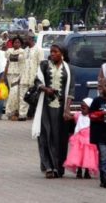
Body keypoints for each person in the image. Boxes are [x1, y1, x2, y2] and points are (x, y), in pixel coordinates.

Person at [33, 44, 74, 178]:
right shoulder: (44, 65)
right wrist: (46, 89)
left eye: (55, 52)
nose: (52, 54)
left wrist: (67, 110)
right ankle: (48, 167)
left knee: (60, 138)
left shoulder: (68, 69)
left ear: (62, 54)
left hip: (61, 109)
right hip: (45, 106)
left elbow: (71, 91)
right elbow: (37, 81)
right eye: (51, 51)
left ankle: (58, 167)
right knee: (45, 135)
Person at [63, 97, 98, 179]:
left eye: (84, 108)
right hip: (79, 139)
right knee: (78, 155)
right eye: (81, 107)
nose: (81, 109)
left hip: (89, 141)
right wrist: (67, 110)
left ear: (90, 108)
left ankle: (87, 171)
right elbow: (68, 117)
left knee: (87, 156)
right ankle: (79, 170)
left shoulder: (92, 117)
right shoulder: (78, 115)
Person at [3, 36, 27, 121]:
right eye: (15, 42)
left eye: (18, 42)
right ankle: (14, 112)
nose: (16, 44)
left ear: (21, 44)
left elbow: (24, 65)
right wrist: (4, 76)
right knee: (13, 94)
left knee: (14, 93)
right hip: (10, 74)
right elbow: (7, 63)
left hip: (18, 74)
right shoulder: (9, 51)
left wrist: (23, 76)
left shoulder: (23, 52)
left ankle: (11, 111)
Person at [22, 34, 42, 120]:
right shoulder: (25, 50)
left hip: (34, 76)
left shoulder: (38, 50)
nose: (25, 40)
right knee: (23, 95)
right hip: (24, 76)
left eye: (26, 39)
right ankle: (22, 115)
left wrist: (39, 76)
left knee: (33, 96)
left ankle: (32, 114)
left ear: (31, 39)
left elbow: (41, 64)